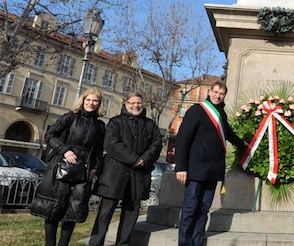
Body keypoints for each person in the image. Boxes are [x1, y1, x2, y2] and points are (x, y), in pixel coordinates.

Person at [30, 87, 106, 246]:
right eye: (88, 100)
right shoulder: (70, 117)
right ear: (83, 101)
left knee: (73, 210)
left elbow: (99, 151)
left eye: (95, 101)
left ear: (99, 104)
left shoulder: (99, 126)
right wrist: (65, 150)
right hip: (60, 167)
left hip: (84, 172)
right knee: (53, 209)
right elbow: (50, 135)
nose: (91, 103)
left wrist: (95, 169)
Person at [175, 81, 247, 246]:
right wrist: (181, 167)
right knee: (190, 209)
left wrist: (243, 144)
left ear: (224, 96)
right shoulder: (197, 110)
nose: (217, 96)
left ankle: (197, 241)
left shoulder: (221, 113)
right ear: (209, 92)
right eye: (215, 92)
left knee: (204, 209)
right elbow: (183, 138)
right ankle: (185, 243)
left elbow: (227, 132)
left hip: (213, 169)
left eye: (221, 94)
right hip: (195, 168)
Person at [88, 93, 162, 246]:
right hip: (114, 174)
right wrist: (134, 159)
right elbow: (112, 144)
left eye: (139, 103)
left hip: (138, 175)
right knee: (105, 214)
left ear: (143, 104)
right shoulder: (115, 122)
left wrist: (144, 160)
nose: (136, 106)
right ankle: (96, 243)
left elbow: (156, 145)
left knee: (130, 215)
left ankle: (123, 243)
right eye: (132, 103)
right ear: (126, 103)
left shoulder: (151, 125)